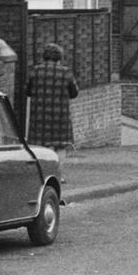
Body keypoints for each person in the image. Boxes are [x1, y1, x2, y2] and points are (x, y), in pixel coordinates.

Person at [25, 43, 79, 177]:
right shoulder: (66, 72)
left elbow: (27, 91)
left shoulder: (35, 71)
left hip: (39, 116)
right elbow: (74, 93)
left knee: (42, 147)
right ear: (59, 57)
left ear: (44, 57)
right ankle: (57, 175)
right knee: (60, 146)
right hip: (60, 116)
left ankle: (43, 175)